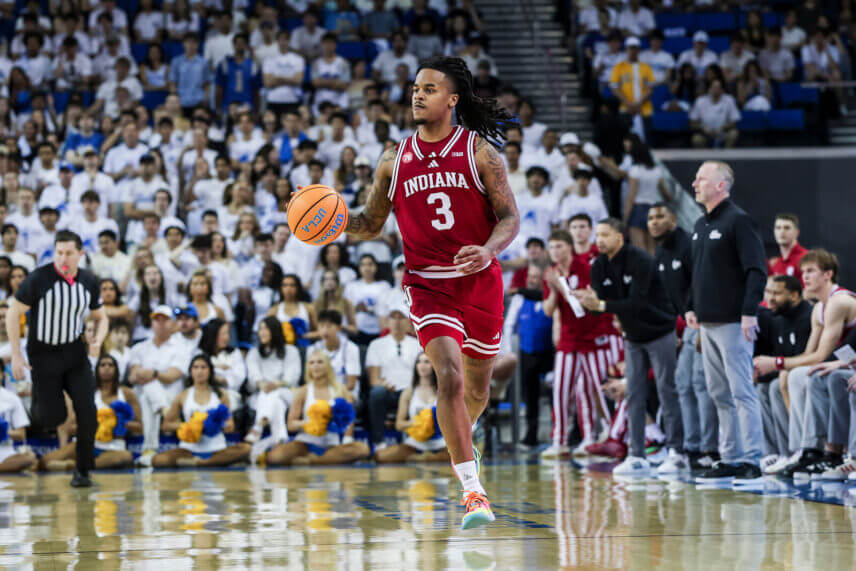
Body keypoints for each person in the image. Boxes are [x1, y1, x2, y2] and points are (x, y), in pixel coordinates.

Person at [343, 55, 519, 530]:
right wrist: (332, 219)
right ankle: (473, 493)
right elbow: (370, 223)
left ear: (452, 99)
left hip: (479, 280)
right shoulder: (392, 158)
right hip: (427, 286)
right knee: (450, 378)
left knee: (476, 391)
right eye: (415, 87)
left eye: (429, 88)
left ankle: (463, 442)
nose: (417, 94)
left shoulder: (479, 152)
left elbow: (510, 218)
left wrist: (487, 249)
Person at [574, 219, 684, 476]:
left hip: (660, 331)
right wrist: (584, 302)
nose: (599, 240)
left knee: (667, 391)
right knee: (633, 394)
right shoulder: (599, 266)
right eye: (597, 235)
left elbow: (636, 302)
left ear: (620, 237)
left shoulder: (641, 260)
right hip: (633, 337)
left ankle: (677, 452)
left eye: (605, 235)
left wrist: (599, 305)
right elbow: (598, 307)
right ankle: (636, 455)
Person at [5, 230, 108, 487]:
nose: (63, 257)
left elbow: (101, 316)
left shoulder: (89, 281)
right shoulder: (39, 278)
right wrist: (17, 355)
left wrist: (97, 340)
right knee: (54, 417)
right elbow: (13, 312)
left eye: (69, 253)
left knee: (88, 413)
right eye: (59, 252)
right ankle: (41, 404)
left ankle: (83, 471)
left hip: (74, 353)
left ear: (80, 254)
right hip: (43, 353)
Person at [686, 161, 767, 484]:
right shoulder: (700, 225)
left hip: (734, 322)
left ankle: (753, 458)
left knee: (741, 391)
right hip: (706, 323)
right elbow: (700, 273)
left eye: (701, 178)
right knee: (718, 393)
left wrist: (750, 312)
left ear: (720, 185)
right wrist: (692, 306)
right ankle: (730, 456)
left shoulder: (739, 221)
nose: (694, 183)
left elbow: (756, 270)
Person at [754, 250, 856, 477]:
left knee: (805, 375)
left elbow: (820, 356)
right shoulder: (819, 307)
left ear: (828, 275)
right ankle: (802, 450)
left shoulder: (838, 301)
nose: (805, 277)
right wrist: (783, 367)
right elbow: (808, 354)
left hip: (845, 363)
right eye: (803, 272)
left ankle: (816, 449)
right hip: (843, 362)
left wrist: (777, 362)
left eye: (811, 271)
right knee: (794, 375)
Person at [648, 203, 718, 469]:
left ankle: (708, 449)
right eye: (651, 218)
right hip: (677, 327)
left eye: (660, 216)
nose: (654, 222)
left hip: (699, 323)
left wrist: (696, 321)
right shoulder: (660, 250)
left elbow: (701, 285)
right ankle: (689, 448)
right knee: (683, 385)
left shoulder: (688, 245)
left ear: (673, 219)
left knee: (700, 385)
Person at [542, 229, 621, 458]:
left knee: (599, 388)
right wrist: (555, 289)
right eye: (552, 247)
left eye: (559, 247)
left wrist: (561, 287)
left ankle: (608, 433)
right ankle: (559, 441)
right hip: (569, 339)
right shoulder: (551, 274)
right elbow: (548, 310)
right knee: (561, 391)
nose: (555, 252)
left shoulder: (586, 267)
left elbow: (583, 306)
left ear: (569, 247)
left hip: (594, 336)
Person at [39, 355, 142, 471]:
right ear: (97, 370)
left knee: (126, 456)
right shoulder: (88, 394)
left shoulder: (127, 394)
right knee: (45, 461)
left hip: (114, 447)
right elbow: (72, 428)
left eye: (110, 365)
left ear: (117, 370)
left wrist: (119, 424)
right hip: (87, 443)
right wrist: (96, 425)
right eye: (103, 365)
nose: (107, 368)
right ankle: (79, 464)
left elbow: (140, 428)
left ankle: (75, 466)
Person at [265, 350, 369, 466]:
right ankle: (323, 460)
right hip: (305, 443)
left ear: (328, 366)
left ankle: (314, 461)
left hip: (331, 446)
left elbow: (349, 420)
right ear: (308, 367)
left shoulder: (340, 389)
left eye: (320, 362)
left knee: (362, 449)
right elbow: (290, 425)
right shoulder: (303, 391)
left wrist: (343, 436)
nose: (315, 366)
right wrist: (309, 423)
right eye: (312, 363)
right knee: (275, 456)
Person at [152, 354, 251, 468]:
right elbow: (166, 425)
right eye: (195, 367)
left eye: (203, 367)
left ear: (210, 371)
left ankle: (203, 463)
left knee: (246, 449)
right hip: (189, 449)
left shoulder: (221, 394)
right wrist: (189, 426)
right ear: (191, 371)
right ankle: (210, 463)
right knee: (158, 460)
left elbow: (230, 426)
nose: (199, 371)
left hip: (217, 449)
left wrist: (217, 425)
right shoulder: (183, 395)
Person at [755, 275, 812, 472]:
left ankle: (796, 449)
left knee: (777, 386)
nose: (769, 298)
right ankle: (776, 453)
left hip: (809, 373)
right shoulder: (777, 319)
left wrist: (778, 365)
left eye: (777, 293)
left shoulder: (807, 317)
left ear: (795, 296)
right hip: (788, 374)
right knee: (762, 386)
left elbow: (809, 358)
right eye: (768, 292)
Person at [127, 304, 185, 465]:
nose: (160, 323)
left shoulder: (180, 348)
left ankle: (149, 448)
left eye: (165, 320)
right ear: (151, 323)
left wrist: (152, 373)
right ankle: (163, 410)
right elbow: (133, 376)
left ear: (172, 324)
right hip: (143, 396)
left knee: (148, 392)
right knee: (147, 392)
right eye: (156, 319)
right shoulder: (139, 347)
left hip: (171, 395)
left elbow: (172, 376)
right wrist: (156, 375)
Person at [503, 263, 552, 447]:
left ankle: (560, 435)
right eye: (530, 276)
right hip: (527, 352)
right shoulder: (519, 299)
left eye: (537, 277)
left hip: (550, 353)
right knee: (530, 397)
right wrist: (508, 352)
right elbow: (509, 326)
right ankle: (531, 435)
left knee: (555, 393)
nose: (533, 280)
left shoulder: (550, 296)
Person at [375, 352, 451, 464]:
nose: (422, 365)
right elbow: (399, 424)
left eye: (426, 362)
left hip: (440, 442)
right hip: (416, 442)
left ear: (434, 366)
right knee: (380, 456)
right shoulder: (409, 392)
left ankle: (429, 458)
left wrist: (434, 423)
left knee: (462, 454)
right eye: (419, 362)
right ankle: (426, 458)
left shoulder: (444, 392)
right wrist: (419, 422)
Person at [365, 304, 421, 451]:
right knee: (376, 392)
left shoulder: (418, 345)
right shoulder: (376, 345)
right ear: (388, 321)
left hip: (412, 391)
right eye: (393, 317)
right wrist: (384, 385)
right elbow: (374, 379)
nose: (397, 321)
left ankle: (419, 438)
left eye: (401, 317)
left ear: (409, 322)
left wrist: (414, 389)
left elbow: (424, 375)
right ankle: (379, 442)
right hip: (388, 390)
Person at [244, 316, 302, 447]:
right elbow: (253, 377)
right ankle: (281, 438)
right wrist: (262, 385)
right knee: (276, 402)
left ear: (275, 330)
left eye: (266, 329)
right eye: (260, 329)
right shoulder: (253, 353)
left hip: (286, 392)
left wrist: (276, 384)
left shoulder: (291, 351)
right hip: (260, 395)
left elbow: (292, 377)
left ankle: (259, 424)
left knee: (274, 394)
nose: (262, 332)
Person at [309, 310, 362, 395]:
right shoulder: (312, 349)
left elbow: (351, 384)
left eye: (329, 326)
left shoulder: (351, 348)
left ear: (339, 328)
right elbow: (309, 379)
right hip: (320, 392)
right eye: (322, 326)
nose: (325, 331)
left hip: (346, 392)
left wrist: (332, 395)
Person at [767, 213, 807, 283]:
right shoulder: (775, 264)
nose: (782, 232)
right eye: (778, 228)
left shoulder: (806, 258)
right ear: (774, 231)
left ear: (797, 232)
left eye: (787, 228)